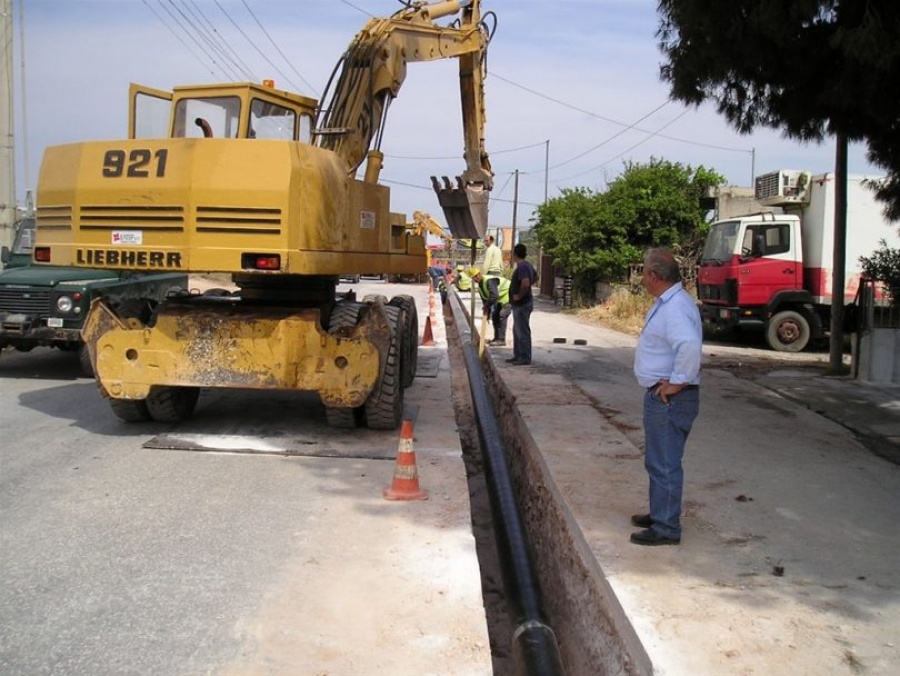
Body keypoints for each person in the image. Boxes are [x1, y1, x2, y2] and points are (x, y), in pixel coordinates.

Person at [630, 247, 702, 546]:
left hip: (669, 400)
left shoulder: (674, 308)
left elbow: (688, 345)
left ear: (655, 276)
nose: (641, 278)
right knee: (658, 459)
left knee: (665, 462)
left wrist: (677, 383)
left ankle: (667, 527)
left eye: (644, 272)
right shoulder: (669, 302)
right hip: (664, 396)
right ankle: (660, 512)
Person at [506, 243, 537, 366]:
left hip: (522, 304)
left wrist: (519, 295)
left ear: (515, 254)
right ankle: (518, 355)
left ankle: (524, 357)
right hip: (521, 304)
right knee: (517, 330)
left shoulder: (523, 267)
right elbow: (536, 277)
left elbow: (525, 283)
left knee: (522, 331)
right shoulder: (527, 265)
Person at [469, 267, 511, 346]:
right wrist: (487, 312)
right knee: (495, 316)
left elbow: (494, 296)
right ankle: (496, 338)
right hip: (501, 299)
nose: (477, 278)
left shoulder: (489, 281)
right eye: (474, 277)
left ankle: (501, 340)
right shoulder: (480, 287)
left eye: (477, 275)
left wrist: (487, 305)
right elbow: (485, 300)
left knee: (502, 315)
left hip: (509, 294)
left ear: (480, 273)